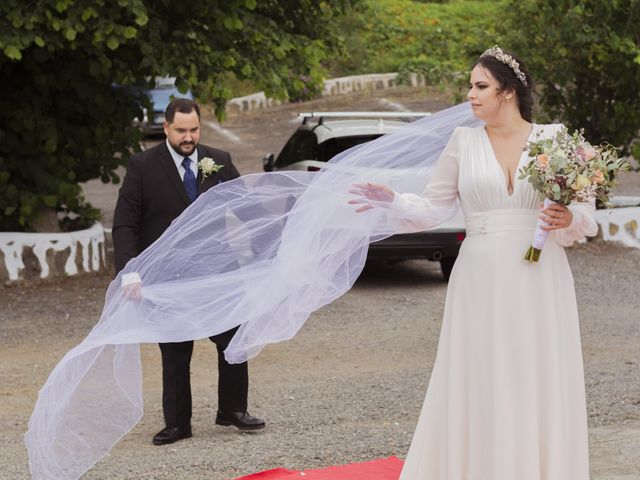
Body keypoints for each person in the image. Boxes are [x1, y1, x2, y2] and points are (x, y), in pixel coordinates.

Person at [349, 46, 596, 479]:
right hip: (480, 277)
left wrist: (569, 216)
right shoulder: (462, 142)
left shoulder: (555, 140)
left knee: (536, 374)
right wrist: (393, 201)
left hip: (541, 277)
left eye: (480, 86)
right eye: (470, 86)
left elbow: (586, 216)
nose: (470, 95)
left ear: (508, 91)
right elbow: (432, 208)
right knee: (482, 376)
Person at [112, 98, 265, 446]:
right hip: (169, 277)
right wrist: (129, 271)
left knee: (233, 343)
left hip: (218, 272)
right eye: (181, 130)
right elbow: (125, 225)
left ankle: (232, 411)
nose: (188, 137)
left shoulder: (219, 161)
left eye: (194, 129)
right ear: (166, 128)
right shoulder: (141, 166)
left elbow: (247, 209)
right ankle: (178, 423)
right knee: (176, 352)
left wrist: (264, 251)